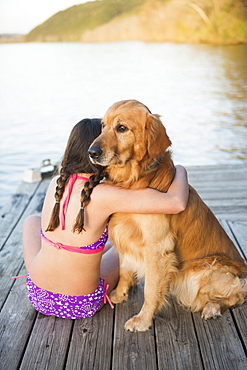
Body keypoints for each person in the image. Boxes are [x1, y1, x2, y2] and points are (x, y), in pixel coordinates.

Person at [20, 118, 188, 320]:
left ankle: (50, 269)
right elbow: (177, 203)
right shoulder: (105, 193)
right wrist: (180, 169)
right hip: (79, 304)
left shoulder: (57, 182)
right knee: (124, 248)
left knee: (32, 220)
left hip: (38, 295)